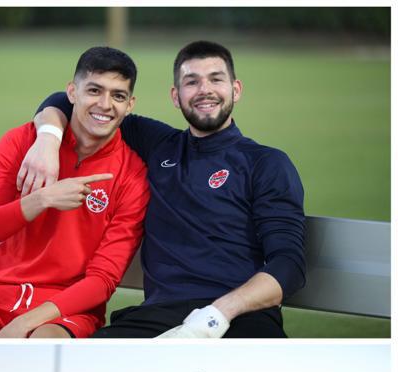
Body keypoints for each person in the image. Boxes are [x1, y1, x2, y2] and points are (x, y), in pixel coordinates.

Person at [17, 41, 306, 338]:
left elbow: (289, 266)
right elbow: (67, 101)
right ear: (176, 96)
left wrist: (216, 315)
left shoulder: (266, 162)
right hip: (159, 315)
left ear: (236, 89)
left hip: (241, 316)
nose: (204, 89)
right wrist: (48, 140)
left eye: (216, 79)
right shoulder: (157, 144)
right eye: (191, 82)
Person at [0, 47, 149, 339]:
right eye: (94, 90)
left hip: (65, 310)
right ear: (72, 92)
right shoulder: (22, 142)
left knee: (41, 343)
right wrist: (42, 199)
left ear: (130, 104)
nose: (105, 104)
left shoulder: (133, 174)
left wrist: (22, 324)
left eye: (118, 96)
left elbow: (102, 281)